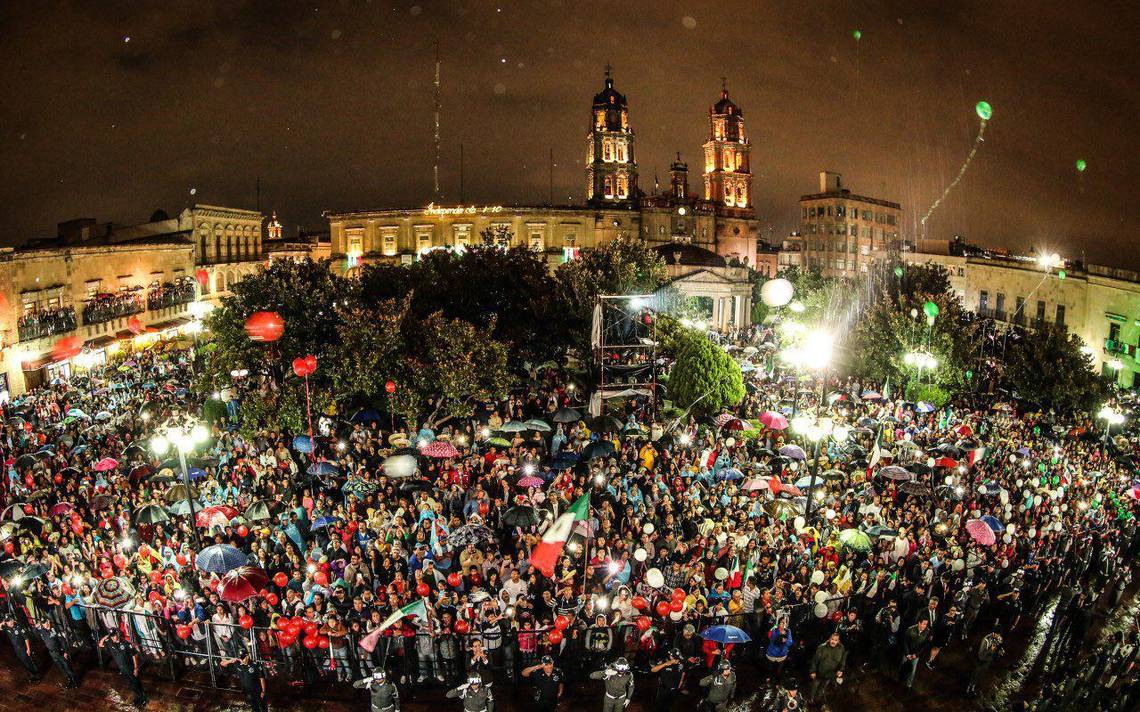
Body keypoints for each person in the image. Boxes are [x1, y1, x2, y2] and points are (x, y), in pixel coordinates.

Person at [98, 629, 147, 707]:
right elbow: (100, 644)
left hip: (130, 667)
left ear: (117, 634)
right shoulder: (110, 643)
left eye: (114, 635)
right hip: (122, 668)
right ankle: (138, 697)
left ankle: (142, 698)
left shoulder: (126, 643)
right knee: (130, 684)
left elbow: (134, 655)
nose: (113, 637)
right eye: (112, 636)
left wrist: (136, 668)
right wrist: (105, 637)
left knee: (136, 683)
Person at [35, 617, 78, 687]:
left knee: (67, 667)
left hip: (60, 652)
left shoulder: (55, 629)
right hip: (52, 653)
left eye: (44, 622)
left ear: (48, 621)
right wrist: (38, 624)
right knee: (61, 667)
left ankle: (75, 682)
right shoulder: (42, 630)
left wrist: (66, 652)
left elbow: (63, 641)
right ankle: (69, 680)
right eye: (42, 623)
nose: (44, 625)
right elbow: (34, 632)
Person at [808, 631, 846, 705]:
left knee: (823, 687)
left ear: (838, 641)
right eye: (832, 639)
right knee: (814, 687)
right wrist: (812, 671)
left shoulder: (841, 648)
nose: (833, 641)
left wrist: (841, 670)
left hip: (830, 675)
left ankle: (817, 699)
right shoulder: (822, 647)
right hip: (819, 673)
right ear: (829, 639)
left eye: (836, 640)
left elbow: (842, 661)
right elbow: (815, 660)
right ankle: (811, 699)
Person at [2, 612, 41, 681]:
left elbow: (26, 638)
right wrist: (2, 622)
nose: (10, 622)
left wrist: (28, 649)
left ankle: (38, 676)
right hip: (17, 649)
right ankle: (33, 674)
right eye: (8, 621)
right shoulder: (6, 628)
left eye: (10, 620)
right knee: (24, 662)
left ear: (13, 619)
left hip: (24, 648)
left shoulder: (18, 626)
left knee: (30, 662)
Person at [966, 629, 1004, 697]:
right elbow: (981, 655)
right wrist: (990, 650)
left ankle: (973, 687)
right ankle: (968, 688)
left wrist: (999, 647)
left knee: (979, 675)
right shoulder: (986, 640)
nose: (999, 636)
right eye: (998, 635)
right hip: (982, 661)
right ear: (994, 633)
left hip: (987, 662)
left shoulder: (995, 638)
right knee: (975, 674)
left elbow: (996, 647)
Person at [899, 618, 931, 689]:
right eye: (924, 624)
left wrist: (916, 655)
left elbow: (925, 646)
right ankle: (900, 679)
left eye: (926, 624)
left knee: (913, 670)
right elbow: (905, 642)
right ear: (919, 623)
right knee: (902, 666)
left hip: (916, 655)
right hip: (907, 653)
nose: (925, 626)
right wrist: (907, 654)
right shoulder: (910, 629)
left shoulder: (927, 632)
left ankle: (908, 685)